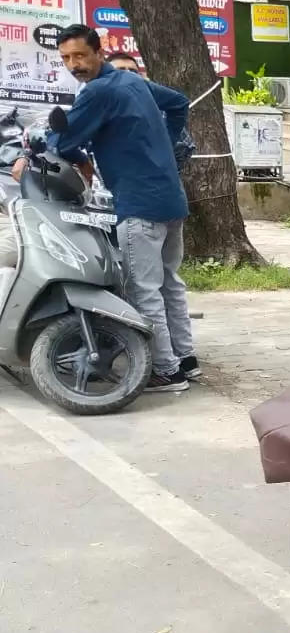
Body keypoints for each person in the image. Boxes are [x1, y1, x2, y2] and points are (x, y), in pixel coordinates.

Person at [50, 24, 196, 392]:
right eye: (67, 58)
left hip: (139, 204)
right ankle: (186, 359)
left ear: (99, 53)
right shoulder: (132, 82)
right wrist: (169, 147)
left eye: (81, 55)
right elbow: (178, 103)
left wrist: (70, 152)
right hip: (170, 197)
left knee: (143, 289)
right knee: (169, 284)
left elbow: (64, 139)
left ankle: (165, 370)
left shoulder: (98, 91)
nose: (74, 64)